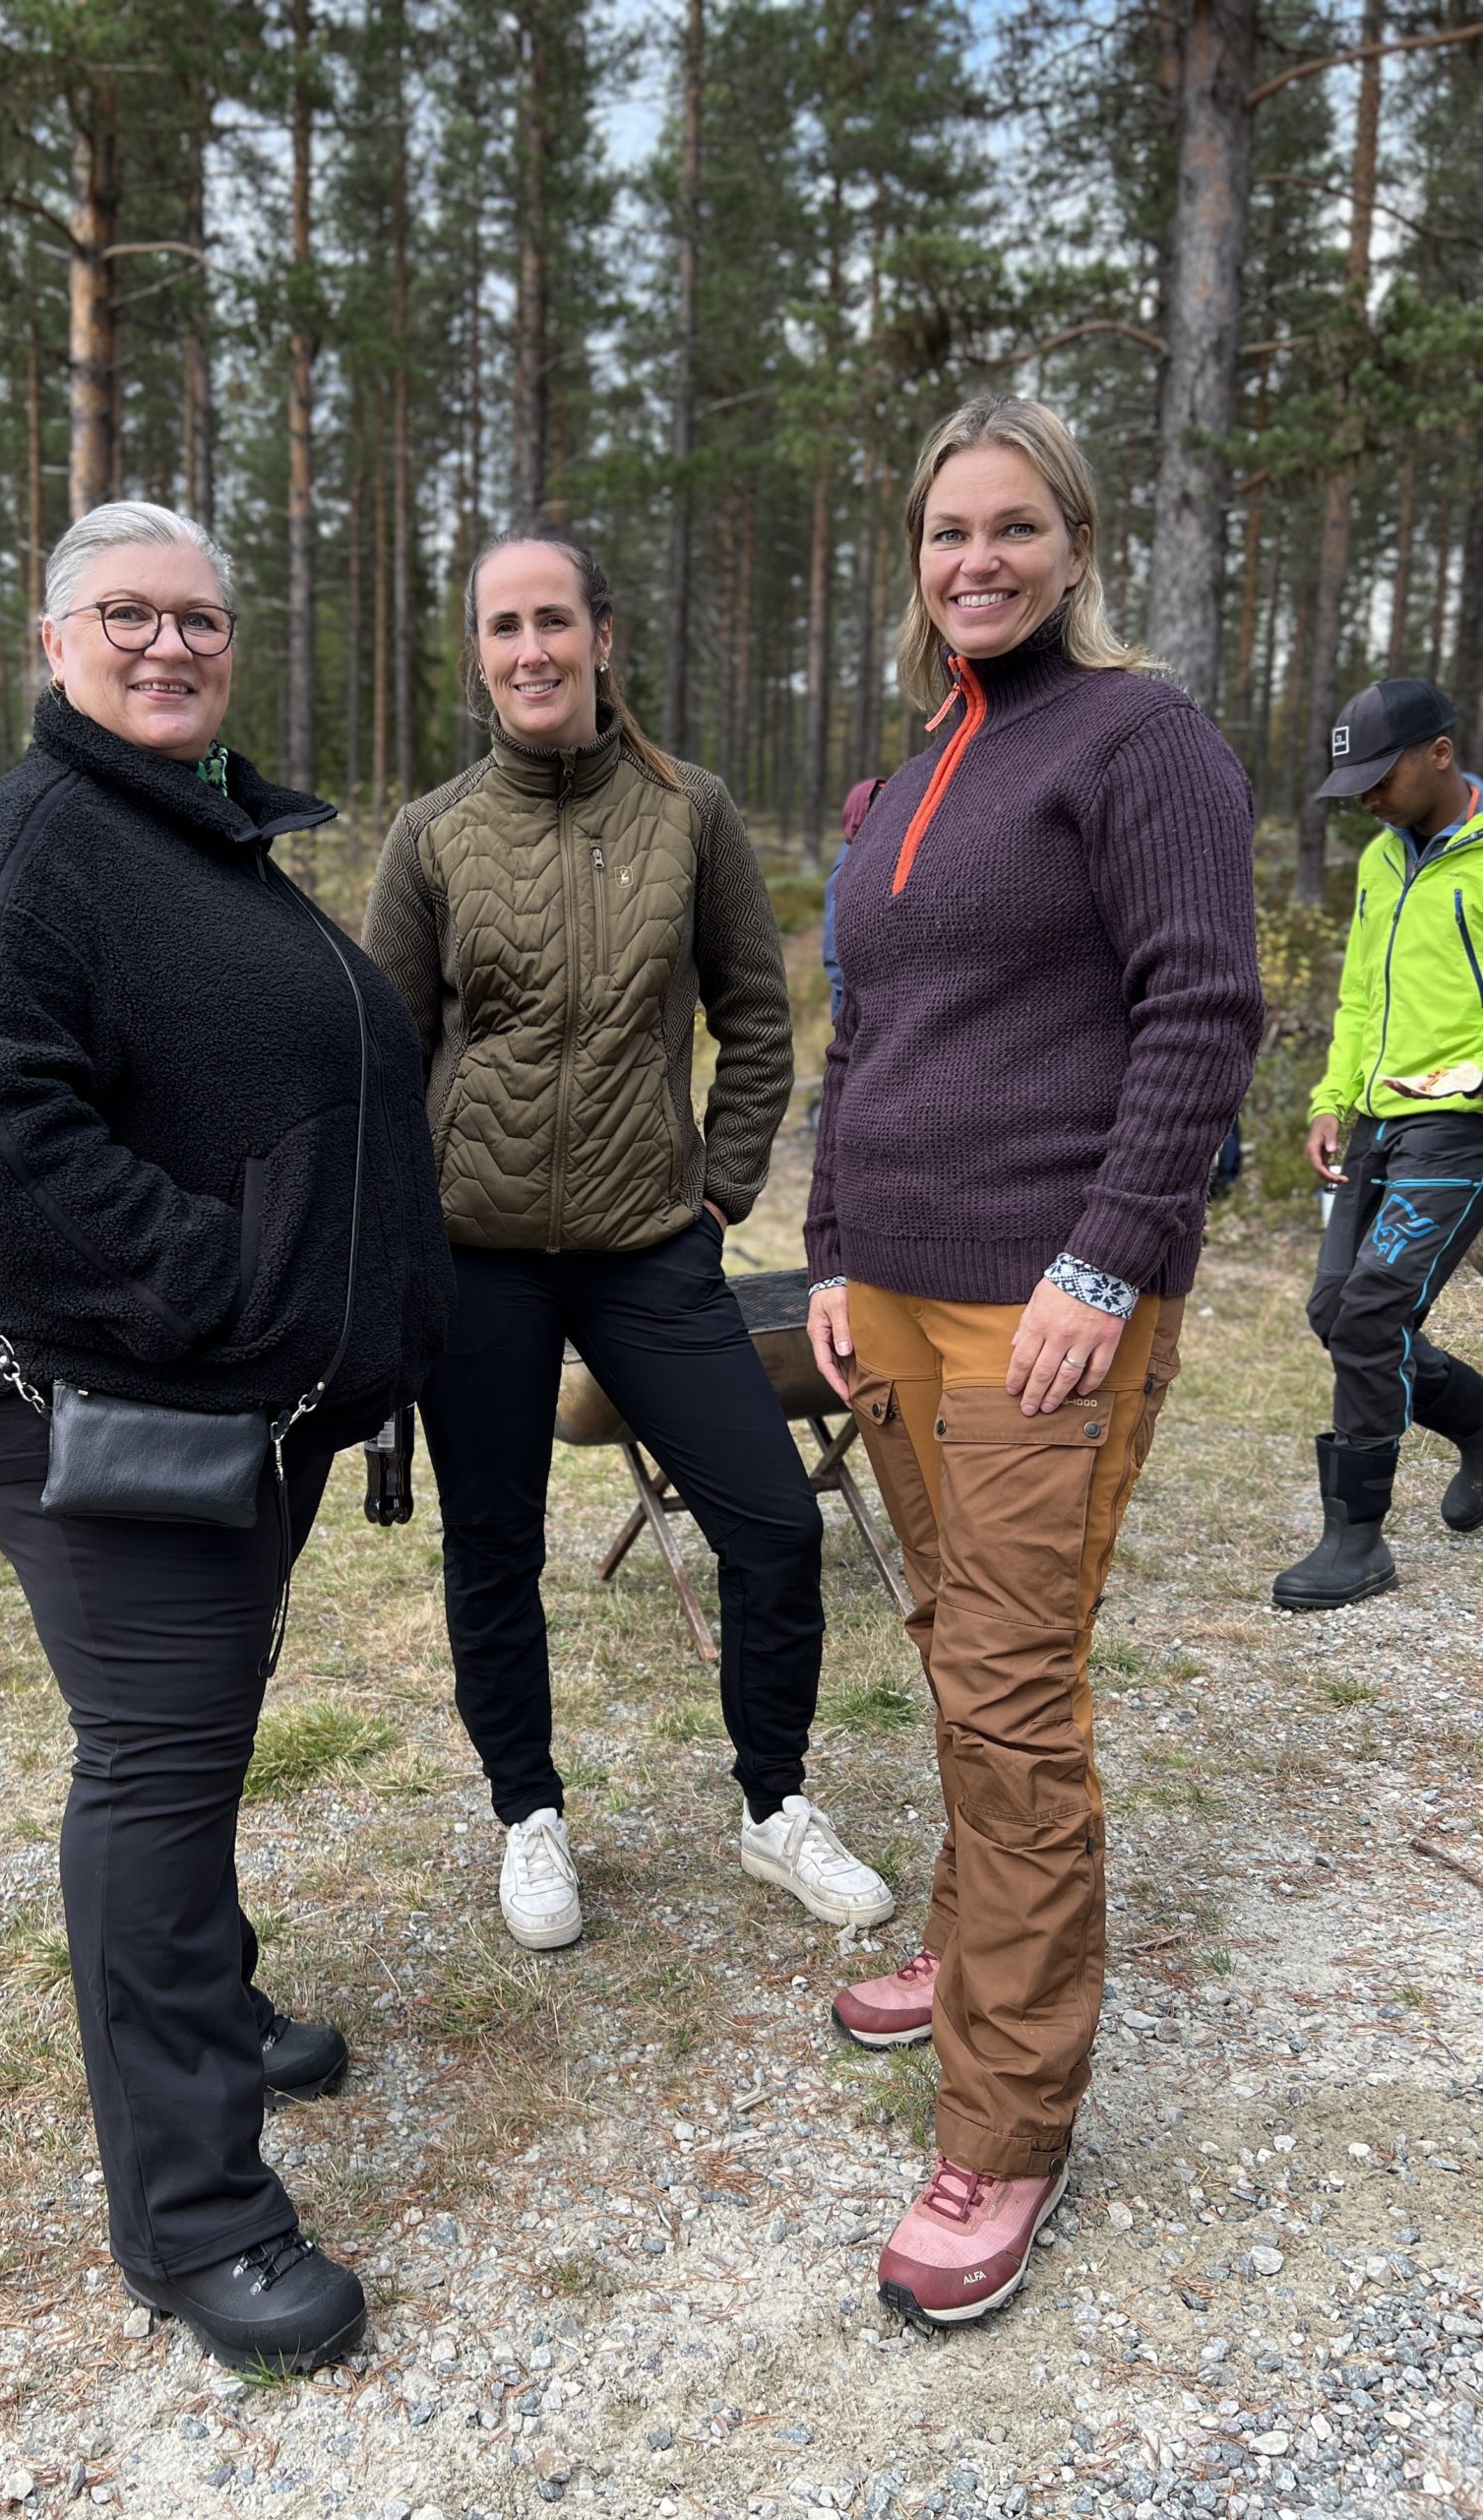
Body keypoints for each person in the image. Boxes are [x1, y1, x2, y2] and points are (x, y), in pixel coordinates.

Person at [0, 501, 452, 2375]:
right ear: (52, 645)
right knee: (155, 1760)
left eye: (198, 621)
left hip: (226, 1395)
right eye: (124, 617)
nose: (167, 646)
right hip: (96, 1392)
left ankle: (210, 2002)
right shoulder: (24, 857)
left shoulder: (189, 836)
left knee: (191, 1733)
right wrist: (229, 1293)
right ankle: (194, 2224)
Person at [805, 397, 1261, 2323]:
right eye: (943, 532)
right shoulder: (904, 776)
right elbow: (863, 1044)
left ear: (1075, 542)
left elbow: (1205, 1008)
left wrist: (1107, 1253)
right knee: (964, 1643)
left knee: (1008, 1694)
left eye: (1012, 526)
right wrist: (827, 1244)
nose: (974, 558)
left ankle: (1005, 2115)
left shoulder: (1141, 741)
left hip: (1040, 1302)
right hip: (892, 1291)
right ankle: (985, 1934)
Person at [363, 521, 895, 1960]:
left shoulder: (693, 812)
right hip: (475, 1255)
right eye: (501, 627)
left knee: (776, 1528)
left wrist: (717, 1185)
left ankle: (775, 1804)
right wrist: (401, 1235)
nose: (530, 650)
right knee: (492, 1542)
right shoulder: (430, 836)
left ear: (602, 634)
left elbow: (758, 1012)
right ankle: (527, 1814)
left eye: (553, 620)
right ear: (476, 653)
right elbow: (382, 1049)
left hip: (649, 1244)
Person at [1272, 677, 1483, 1611]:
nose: (1364, 796)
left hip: (1463, 1125)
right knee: (1334, 1309)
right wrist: (1328, 1099)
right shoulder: (1379, 860)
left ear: (1438, 753)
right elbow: (1360, 996)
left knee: (1371, 1318)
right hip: (1378, 1119)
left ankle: (1355, 1540)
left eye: (1377, 775)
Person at [824, 776, 885, 1029]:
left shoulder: (871, 856)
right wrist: (859, 1005)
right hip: (855, 1016)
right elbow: (833, 952)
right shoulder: (848, 867)